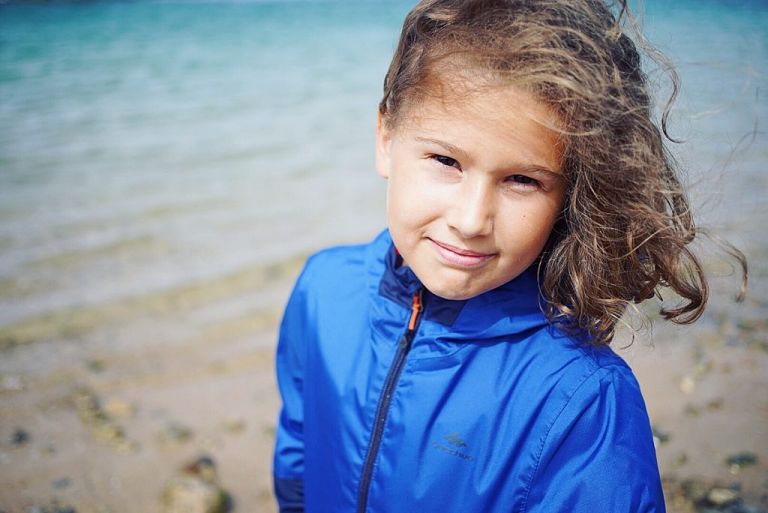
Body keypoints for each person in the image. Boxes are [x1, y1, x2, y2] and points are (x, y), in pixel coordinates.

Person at [272, 0, 746, 512]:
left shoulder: (582, 398)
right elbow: (298, 455)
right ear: (386, 137)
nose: (472, 219)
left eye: (522, 179)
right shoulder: (324, 289)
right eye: (446, 160)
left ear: (571, 192)